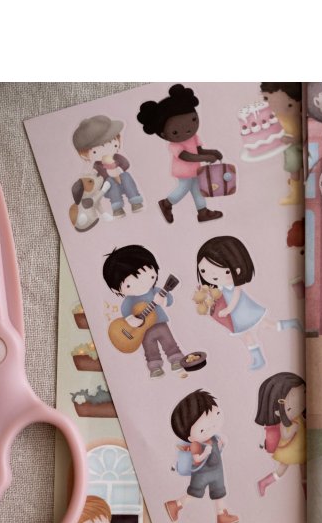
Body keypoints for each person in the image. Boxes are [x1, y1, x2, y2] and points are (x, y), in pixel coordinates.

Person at [196, 235, 301, 370]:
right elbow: (215, 298)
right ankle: (260, 357)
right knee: (253, 332)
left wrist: (228, 310)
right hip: (237, 317)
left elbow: (236, 297)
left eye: (225, 271)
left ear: (237, 269)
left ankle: (289, 326)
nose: (212, 276)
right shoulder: (218, 287)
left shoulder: (233, 286)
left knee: (263, 326)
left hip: (244, 311)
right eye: (203, 270)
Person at [136, 84, 224, 223]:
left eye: (193, 120)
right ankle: (166, 203)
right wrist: (206, 157)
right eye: (175, 131)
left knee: (197, 189)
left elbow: (198, 151)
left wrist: (212, 152)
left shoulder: (193, 137)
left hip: (195, 170)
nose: (188, 129)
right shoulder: (175, 145)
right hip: (183, 171)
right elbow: (186, 156)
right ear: (163, 134)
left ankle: (202, 212)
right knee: (184, 188)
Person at [103, 245, 184, 378]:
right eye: (128, 284)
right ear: (116, 289)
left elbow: (169, 300)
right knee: (150, 349)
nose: (141, 283)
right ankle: (155, 367)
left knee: (169, 341)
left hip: (160, 323)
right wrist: (131, 319)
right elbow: (125, 313)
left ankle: (176, 359)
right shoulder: (129, 300)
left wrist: (163, 300)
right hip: (142, 332)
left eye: (148, 275)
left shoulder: (155, 291)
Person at [164, 390, 240, 523]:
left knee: (219, 492)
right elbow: (197, 459)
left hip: (217, 472)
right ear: (190, 437)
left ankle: (221, 515)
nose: (212, 426)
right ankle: (175, 505)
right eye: (202, 430)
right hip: (202, 474)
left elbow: (218, 450)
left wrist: (223, 443)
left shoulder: (214, 438)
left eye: (217, 414)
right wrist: (205, 453)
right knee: (194, 493)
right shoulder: (196, 445)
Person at [72, 115, 143, 218]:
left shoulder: (117, 158)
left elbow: (126, 164)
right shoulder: (97, 165)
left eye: (113, 144)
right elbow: (95, 177)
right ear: (85, 155)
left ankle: (135, 201)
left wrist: (117, 169)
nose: (107, 150)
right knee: (109, 181)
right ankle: (117, 208)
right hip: (110, 189)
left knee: (126, 175)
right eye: (95, 151)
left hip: (124, 184)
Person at [253, 372, 306, 496]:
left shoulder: (298, 417)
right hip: (290, 449)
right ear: (278, 411)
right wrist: (293, 429)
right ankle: (264, 482)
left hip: (300, 447)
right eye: (290, 407)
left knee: (304, 469)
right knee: (282, 469)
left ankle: (306, 489)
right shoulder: (285, 422)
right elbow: (285, 436)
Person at [260, 83, 303, 205]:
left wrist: (292, 140)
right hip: (288, 149)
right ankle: (295, 192)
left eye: (290, 105)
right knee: (293, 172)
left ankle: (296, 195)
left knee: (294, 172)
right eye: (265, 98)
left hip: (294, 149)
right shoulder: (278, 117)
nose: (268, 103)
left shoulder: (295, 118)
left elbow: (301, 136)